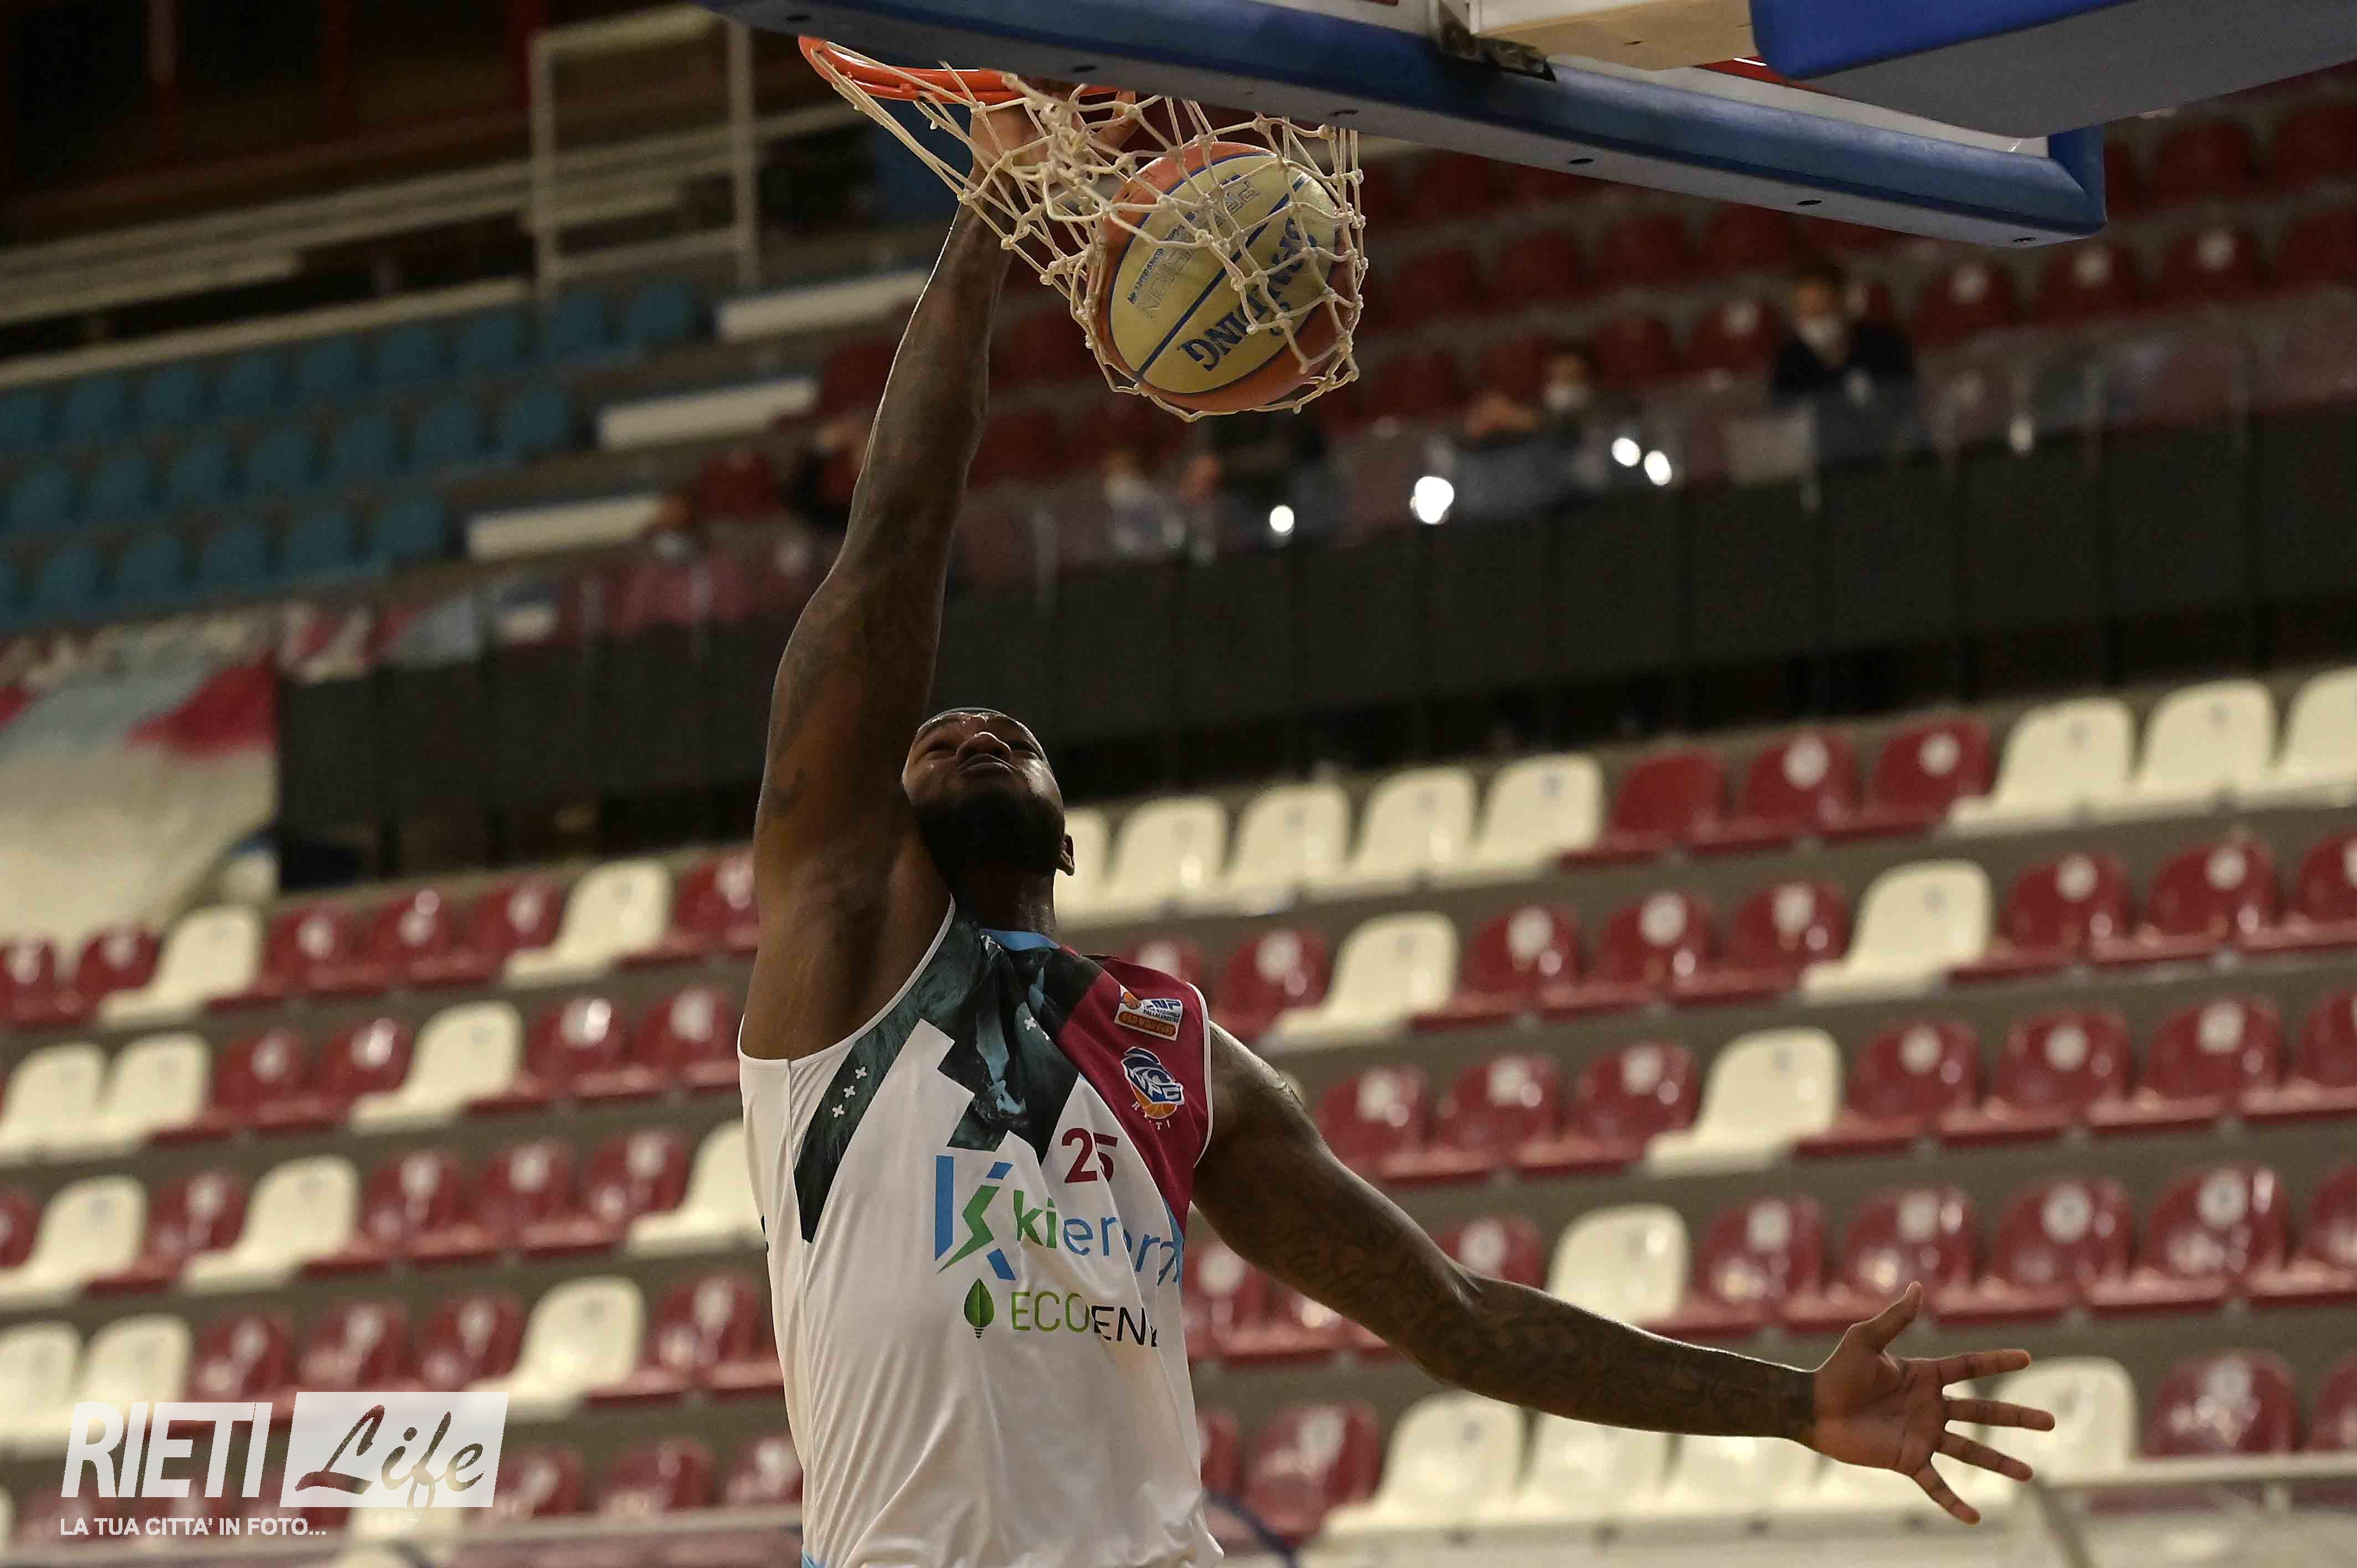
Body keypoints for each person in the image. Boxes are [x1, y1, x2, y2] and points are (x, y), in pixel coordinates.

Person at [740, 99, 2053, 1568]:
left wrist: (1794, 1404)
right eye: (934, 739)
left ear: (1066, 840)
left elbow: (1455, 1315)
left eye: (1011, 737)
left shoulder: (1175, 1052)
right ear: (880, 824)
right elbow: (896, 535)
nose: (974, 732)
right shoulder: (843, 959)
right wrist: (992, 211)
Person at [1769, 257, 1917, 459]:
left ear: (1845, 302)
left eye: (1822, 309)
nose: (1814, 319)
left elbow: (1906, 409)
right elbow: (1787, 424)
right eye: (1805, 311)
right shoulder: (1789, 363)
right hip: (1825, 465)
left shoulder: (1886, 346)